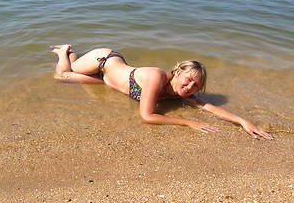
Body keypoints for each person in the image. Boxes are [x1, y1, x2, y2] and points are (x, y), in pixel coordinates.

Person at [51, 44, 273, 140]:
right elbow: (146, 116)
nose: (189, 88)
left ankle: (73, 55)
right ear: (177, 72)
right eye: (188, 80)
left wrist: (242, 121)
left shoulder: (181, 93)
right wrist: (188, 123)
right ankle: (64, 52)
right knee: (61, 76)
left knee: (73, 75)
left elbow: (208, 107)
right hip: (103, 62)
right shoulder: (157, 77)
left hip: (106, 80)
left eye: (195, 86)